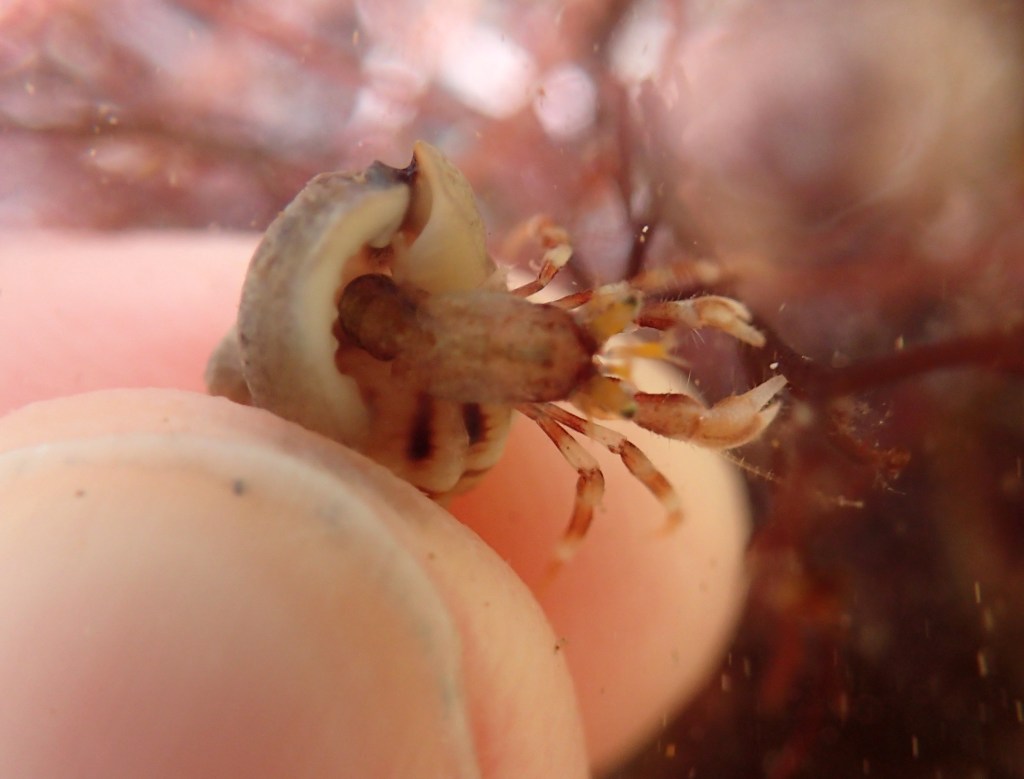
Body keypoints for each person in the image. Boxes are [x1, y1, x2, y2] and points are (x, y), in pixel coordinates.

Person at [0, 232, 751, 777]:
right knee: (612, 446)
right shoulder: (584, 367)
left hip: (390, 336)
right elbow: (593, 475)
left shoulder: (580, 337)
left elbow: (552, 253)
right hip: (372, 341)